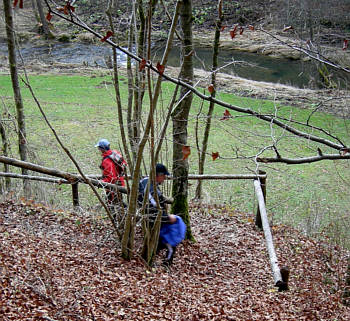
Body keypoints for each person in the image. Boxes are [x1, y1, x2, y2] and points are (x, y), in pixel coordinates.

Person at [138, 163, 186, 265]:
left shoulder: (144, 182)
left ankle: (152, 258)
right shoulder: (151, 189)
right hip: (153, 219)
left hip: (148, 217)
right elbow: (153, 210)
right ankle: (166, 260)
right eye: (163, 176)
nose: (164, 178)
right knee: (173, 230)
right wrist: (167, 218)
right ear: (158, 175)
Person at [95, 138, 127, 206]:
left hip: (112, 186)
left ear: (102, 149)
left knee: (113, 205)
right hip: (120, 182)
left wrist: (101, 182)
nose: (98, 149)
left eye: (99, 148)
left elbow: (111, 177)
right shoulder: (115, 153)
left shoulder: (106, 161)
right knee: (119, 203)